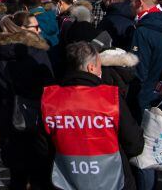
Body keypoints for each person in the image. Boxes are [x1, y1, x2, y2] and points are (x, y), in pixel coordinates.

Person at [41, 41, 143, 190]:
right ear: (91, 67)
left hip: (63, 180)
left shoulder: (50, 99)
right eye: (100, 66)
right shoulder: (111, 98)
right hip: (113, 180)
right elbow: (134, 144)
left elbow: (42, 147)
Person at [0, 13, 55, 190]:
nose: (39, 30)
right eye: (35, 27)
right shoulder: (37, 53)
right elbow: (49, 86)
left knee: (17, 174)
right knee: (39, 173)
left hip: (9, 116)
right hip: (36, 117)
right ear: (22, 29)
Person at [129, 0, 162, 110]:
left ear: (139, 3)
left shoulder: (143, 30)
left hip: (148, 94)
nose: (129, 6)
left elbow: (139, 68)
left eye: (131, 2)